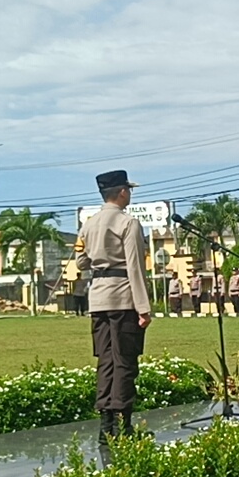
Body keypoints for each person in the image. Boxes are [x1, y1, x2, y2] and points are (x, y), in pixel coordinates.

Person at [75, 170, 152, 442]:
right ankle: (124, 425)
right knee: (125, 361)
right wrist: (143, 307)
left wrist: (98, 258)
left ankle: (105, 424)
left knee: (105, 360)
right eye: (128, 190)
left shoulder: (89, 224)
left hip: (98, 298)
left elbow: (80, 262)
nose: (130, 194)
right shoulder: (128, 223)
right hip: (122, 298)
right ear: (121, 192)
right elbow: (135, 266)